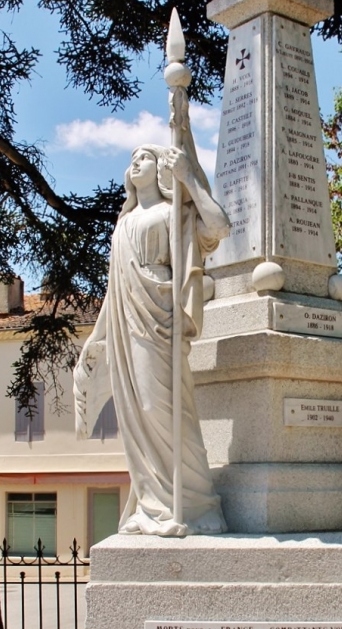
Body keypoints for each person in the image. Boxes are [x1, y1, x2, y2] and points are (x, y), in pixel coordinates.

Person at [73, 142, 230, 536]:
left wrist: (189, 179)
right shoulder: (122, 225)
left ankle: (195, 503)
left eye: (145, 157)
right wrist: (96, 338)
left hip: (160, 318)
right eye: (132, 159)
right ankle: (153, 505)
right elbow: (114, 287)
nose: (135, 162)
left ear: (160, 168)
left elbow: (219, 227)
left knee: (162, 406)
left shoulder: (172, 211)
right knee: (137, 414)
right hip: (127, 323)